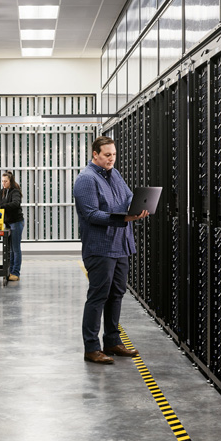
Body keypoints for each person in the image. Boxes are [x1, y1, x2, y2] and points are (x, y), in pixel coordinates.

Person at [73, 136, 149, 364]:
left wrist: (139, 206)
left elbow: (127, 197)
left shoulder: (114, 174)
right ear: (95, 154)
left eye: (113, 154)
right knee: (98, 296)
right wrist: (125, 217)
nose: (111, 159)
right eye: (107, 155)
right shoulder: (86, 179)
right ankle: (91, 348)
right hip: (100, 247)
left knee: (116, 294)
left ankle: (113, 341)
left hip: (120, 245)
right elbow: (91, 214)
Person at [0, 171, 24, 281]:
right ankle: (10, 271)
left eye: (5, 181)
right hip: (8, 223)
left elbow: (15, 203)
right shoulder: (2, 192)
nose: (3, 183)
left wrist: (0, 207)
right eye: (2, 181)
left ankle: (15, 273)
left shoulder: (15, 191)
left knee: (16, 249)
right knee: (11, 250)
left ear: (10, 181)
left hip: (16, 223)